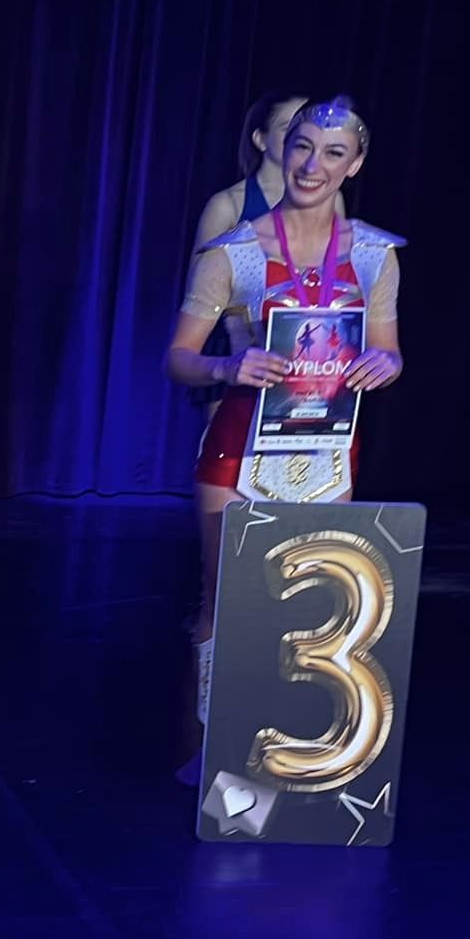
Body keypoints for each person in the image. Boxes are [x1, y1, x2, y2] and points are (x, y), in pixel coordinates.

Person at [164, 96, 403, 777]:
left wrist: (384, 364)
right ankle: (211, 749)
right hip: (240, 452)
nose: (312, 165)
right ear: (280, 149)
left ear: (354, 164)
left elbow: (389, 349)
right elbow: (178, 358)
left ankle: (289, 749)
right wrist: (225, 366)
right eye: (302, 146)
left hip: (327, 454)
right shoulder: (234, 253)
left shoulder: (375, 255)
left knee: (316, 606)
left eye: (333, 153)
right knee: (224, 599)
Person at [189, 91, 348, 251]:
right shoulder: (226, 205)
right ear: (260, 139)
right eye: (288, 128)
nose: (301, 137)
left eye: (308, 128)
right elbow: (202, 266)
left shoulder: (330, 197)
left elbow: (339, 260)